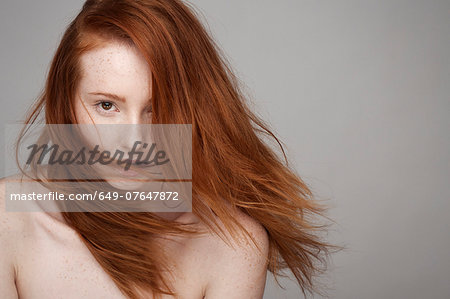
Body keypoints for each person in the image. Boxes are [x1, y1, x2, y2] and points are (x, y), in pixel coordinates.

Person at [0, 0, 335, 298]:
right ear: (67, 104)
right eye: (106, 106)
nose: (134, 144)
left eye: (157, 108)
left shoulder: (232, 244)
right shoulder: (9, 220)